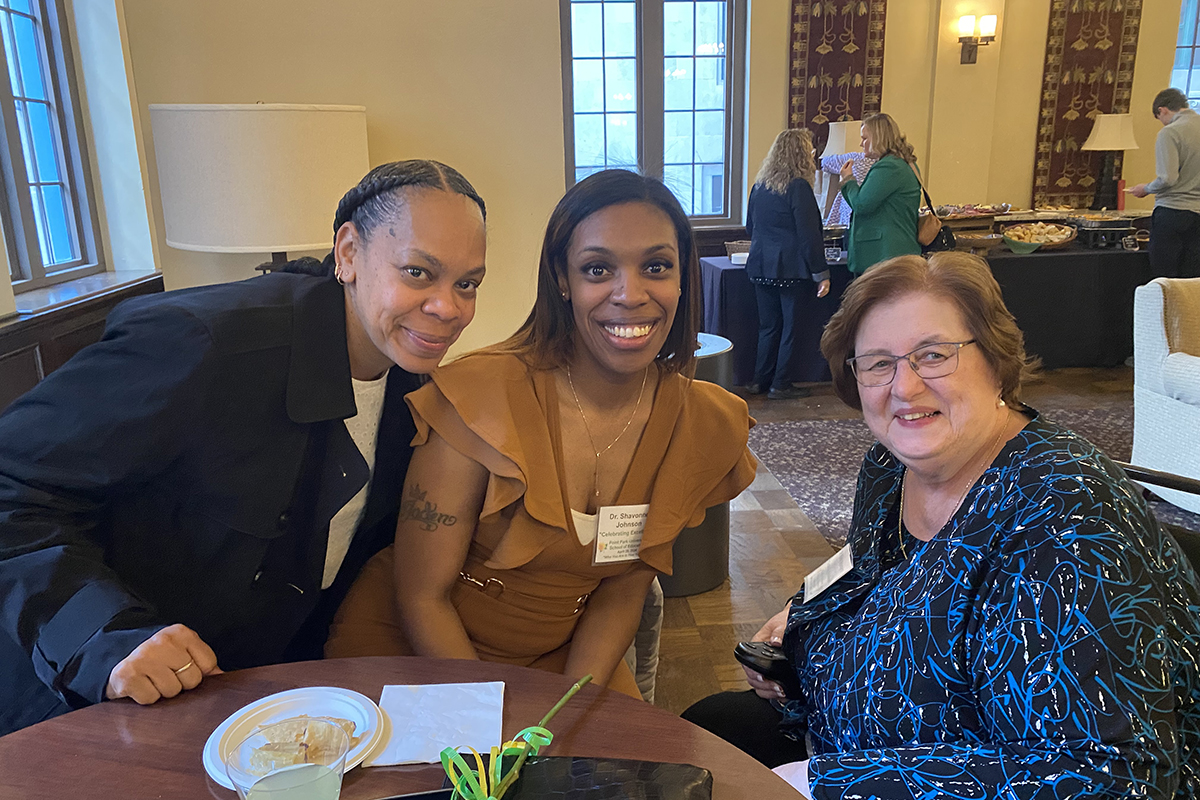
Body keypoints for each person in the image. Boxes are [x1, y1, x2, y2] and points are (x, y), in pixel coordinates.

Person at [683, 252, 1200, 797]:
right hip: (840, 736)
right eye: (878, 363)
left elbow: (1114, 778)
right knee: (698, 736)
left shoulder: (1068, 522)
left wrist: (825, 784)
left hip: (923, 779)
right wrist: (802, 616)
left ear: (996, 361)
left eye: (933, 355)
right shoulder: (891, 468)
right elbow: (870, 574)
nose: (904, 388)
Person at [0, 160, 488, 735]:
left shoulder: (415, 390)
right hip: (77, 705)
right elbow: (12, 485)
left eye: (467, 283)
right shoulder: (201, 343)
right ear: (349, 253)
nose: (448, 308)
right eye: (417, 272)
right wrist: (105, 639)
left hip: (243, 707)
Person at [324, 169, 757, 698]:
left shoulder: (704, 423)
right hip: (417, 649)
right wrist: (488, 721)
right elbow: (420, 596)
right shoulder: (481, 394)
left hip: (565, 656)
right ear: (562, 279)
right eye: (598, 268)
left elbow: (623, 590)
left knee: (632, 774)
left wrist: (571, 706)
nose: (630, 293)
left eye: (656, 266)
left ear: (682, 277)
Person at [744, 129, 832, 399]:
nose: (814, 154)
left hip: (760, 265)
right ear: (801, 155)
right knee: (790, 328)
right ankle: (780, 384)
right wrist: (821, 273)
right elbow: (809, 236)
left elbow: (750, 228)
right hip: (791, 267)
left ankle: (760, 380)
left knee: (768, 327)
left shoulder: (760, 186)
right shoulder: (798, 187)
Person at [837, 113, 921, 276]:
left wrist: (848, 179)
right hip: (893, 251)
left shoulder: (889, 167)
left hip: (886, 254)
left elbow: (862, 205)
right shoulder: (903, 163)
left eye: (865, 138)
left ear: (878, 138)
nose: (861, 144)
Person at [1130, 88, 1200, 278]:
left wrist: (1145, 188)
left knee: (1165, 278)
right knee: (1191, 279)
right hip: (1198, 215)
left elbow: (1168, 178)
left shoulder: (1170, 133)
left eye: (1159, 118)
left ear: (1162, 110)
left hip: (1172, 212)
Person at [820, 149, 875, 228]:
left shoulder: (856, 159)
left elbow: (825, 163)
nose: (861, 144)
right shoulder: (886, 167)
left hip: (846, 220)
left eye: (864, 139)